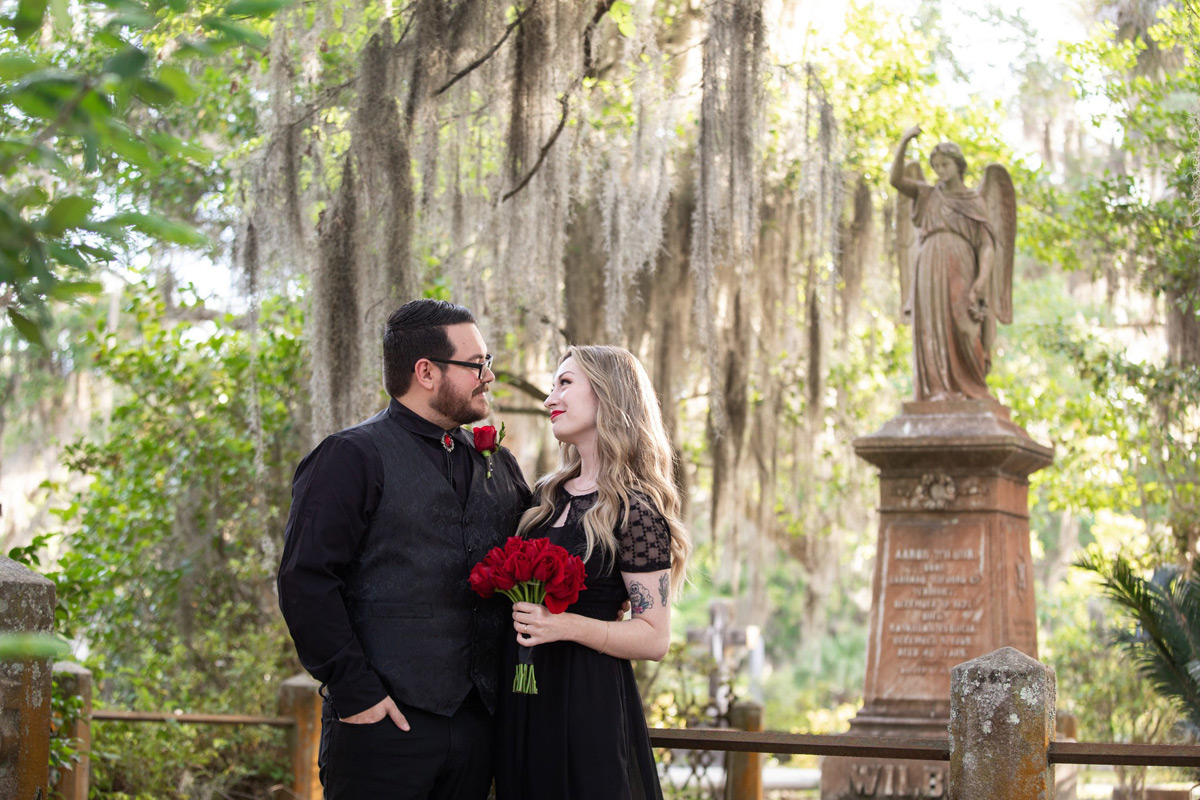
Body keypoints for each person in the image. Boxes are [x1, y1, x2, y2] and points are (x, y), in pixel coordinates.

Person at [277, 299, 530, 799]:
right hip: (382, 727)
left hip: (479, 729)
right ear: (426, 372)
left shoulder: (499, 463)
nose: (489, 376)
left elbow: (536, 556)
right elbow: (304, 581)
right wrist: (356, 694)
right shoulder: (351, 456)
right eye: (476, 364)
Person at [494, 344, 692, 800]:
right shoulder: (544, 498)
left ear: (608, 394)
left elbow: (654, 638)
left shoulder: (636, 511)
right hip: (524, 697)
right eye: (552, 386)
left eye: (564, 383)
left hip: (587, 701)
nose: (550, 398)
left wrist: (563, 625)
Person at [890, 124, 1014, 402]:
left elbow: (986, 245)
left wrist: (982, 280)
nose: (940, 170)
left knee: (965, 326)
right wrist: (904, 141)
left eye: (945, 164)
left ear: (958, 166)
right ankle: (937, 390)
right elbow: (896, 180)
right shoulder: (927, 194)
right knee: (931, 328)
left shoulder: (974, 200)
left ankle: (972, 388)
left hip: (961, 265)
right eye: (936, 166)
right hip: (929, 263)